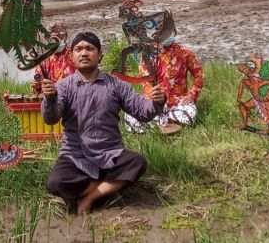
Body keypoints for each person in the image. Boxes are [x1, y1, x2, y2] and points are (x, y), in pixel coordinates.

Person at [41, 32, 166, 214]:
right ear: (72, 56)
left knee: (137, 162)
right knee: (55, 182)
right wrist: (50, 98)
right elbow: (51, 118)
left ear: (100, 55)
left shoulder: (116, 85)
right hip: (75, 155)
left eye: (90, 49)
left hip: (111, 153)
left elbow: (142, 112)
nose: (84, 53)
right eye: (79, 49)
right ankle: (108, 188)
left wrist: (158, 101)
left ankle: (91, 196)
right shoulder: (63, 87)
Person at [124, 36, 204, 133]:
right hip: (151, 104)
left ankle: (155, 127)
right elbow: (145, 79)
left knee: (190, 112)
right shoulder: (147, 53)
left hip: (176, 103)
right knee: (130, 116)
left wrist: (192, 95)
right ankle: (169, 126)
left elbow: (199, 74)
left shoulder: (185, 53)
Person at [31, 23, 75, 94]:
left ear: (64, 37)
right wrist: (38, 87)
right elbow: (39, 87)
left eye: (57, 38)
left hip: (73, 98)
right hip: (52, 100)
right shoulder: (43, 59)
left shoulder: (75, 54)